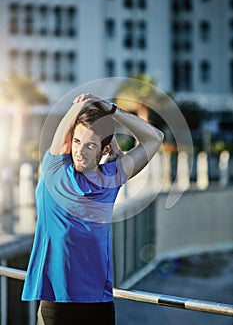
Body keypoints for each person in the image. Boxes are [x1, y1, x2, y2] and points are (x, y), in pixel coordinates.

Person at [21, 93, 164, 324]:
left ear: (104, 149)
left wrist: (113, 110)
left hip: (99, 305)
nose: (80, 151)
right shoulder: (55, 169)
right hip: (57, 304)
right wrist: (85, 103)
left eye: (90, 146)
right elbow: (68, 124)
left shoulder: (112, 177)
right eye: (77, 142)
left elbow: (155, 138)